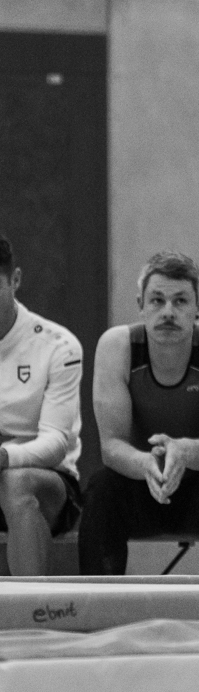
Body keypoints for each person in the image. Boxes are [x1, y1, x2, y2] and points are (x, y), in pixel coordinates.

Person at [78, 250, 199, 575]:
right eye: (157, 300)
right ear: (140, 304)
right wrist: (145, 463)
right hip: (140, 486)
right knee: (101, 486)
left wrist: (184, 451)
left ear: (198, 307)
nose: (168, 312)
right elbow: (111, 447)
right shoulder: (117, 345)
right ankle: (98, 599)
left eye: (180, 301)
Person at [0, 236, 83, 574]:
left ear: (15, 280)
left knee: (15, 482)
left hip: (49, 483)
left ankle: (32, 606)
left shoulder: (58, 346)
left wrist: (4, 457)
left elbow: (55, 443)